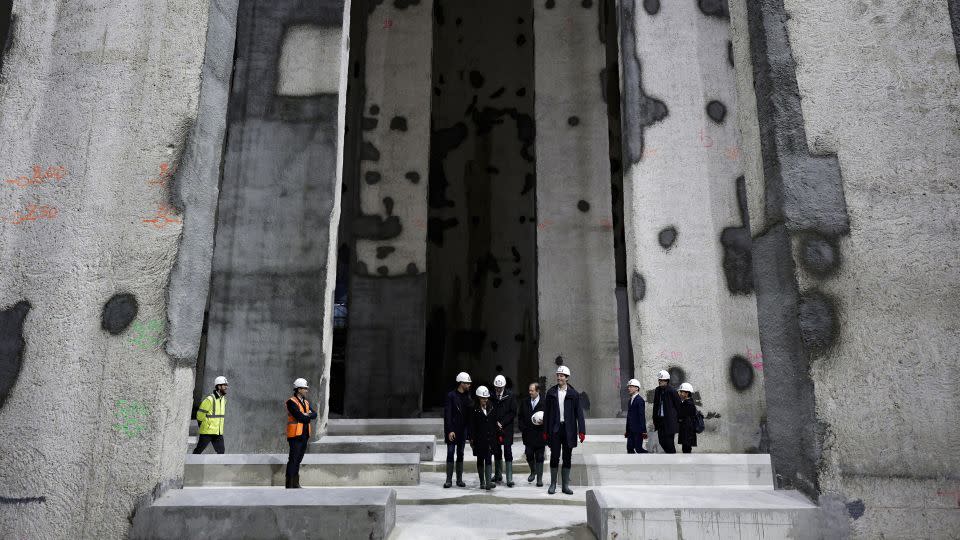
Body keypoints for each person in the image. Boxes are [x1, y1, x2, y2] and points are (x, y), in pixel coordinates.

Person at [543, 362, 586, 495]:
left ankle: (565, 485)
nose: (559, 378)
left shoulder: (573, 394)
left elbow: (579, 413)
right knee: (554, 456)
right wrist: (545, 431)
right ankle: (553, 484)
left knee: (567, 457)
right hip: (555, 429)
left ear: (567, 378)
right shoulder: (551, 393)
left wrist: (582, 431)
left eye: (562, 376)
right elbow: (547, 414)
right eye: (558, 375)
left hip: (569, 430)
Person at [285, 377, 317, 488]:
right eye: (305, 388)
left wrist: (306, 415)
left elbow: (315, 414)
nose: (307, 390)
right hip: (295, 435)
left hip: (304, 435)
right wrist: (307, 415)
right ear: (299, 389)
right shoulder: (291, 402)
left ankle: (296, 483)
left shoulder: (306, 402)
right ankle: (290, 484)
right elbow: (299, 416)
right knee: (293, 459)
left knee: (298, 459)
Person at [443, 372, 473, 488]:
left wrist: (470, 434)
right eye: (467, 383)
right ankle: (448, 480)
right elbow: (448, 414)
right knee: (450, 452)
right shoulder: (451, 396)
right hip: (453, 429)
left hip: (463, 429)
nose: (469, 385)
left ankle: (459, 479)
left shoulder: (468, 396)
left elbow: (469, 416)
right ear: (461, 383)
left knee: (460, 453)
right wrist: (450, 430)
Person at [468, 385, 498, 490]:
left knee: (489, 458)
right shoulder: (473, 408)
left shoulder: (491, 406)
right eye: (483, 398)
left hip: (490, 437)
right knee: (480, 459)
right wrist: (471, 438)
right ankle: (482, 482)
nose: (485, 400)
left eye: (486, 398)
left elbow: (494, 421)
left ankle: (488, 482)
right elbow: (471, 424)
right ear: (478, 398)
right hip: (479, 438)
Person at [517, 382, 546, 486]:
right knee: (529, 455)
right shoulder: (525, 402)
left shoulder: (544, 402)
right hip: (528, 434)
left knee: (540, 456)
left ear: (537, 391)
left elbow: (549, 416)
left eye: (532, 391)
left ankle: (539, 478)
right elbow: (520, 416)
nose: (530, 392)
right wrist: (522, 428)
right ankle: (533, 471)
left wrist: (544, 423)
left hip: (540, 434)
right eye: (529, 390)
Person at [491, 374, 517, 487]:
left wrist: (502, 422)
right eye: (496, 387)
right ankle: (498, 474)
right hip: (495, 428)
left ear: (504, 387)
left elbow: (513, 412)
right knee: (496, 451)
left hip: (506, 428)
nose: (498, 389)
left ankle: (509, 478)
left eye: (500, 388)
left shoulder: (510, 396)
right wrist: (495, 422)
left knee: (507, 450)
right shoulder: (491, 396)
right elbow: (489, 410)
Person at [194, 376, 229, 454]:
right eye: (224, 385)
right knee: (198, 451)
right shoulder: (209, 399)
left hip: (218, 432)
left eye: (226, 385)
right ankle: (189, 465)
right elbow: (200, 415)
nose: (226, 387)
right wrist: (203, 425)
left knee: (221, 452)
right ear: (219, 386)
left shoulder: (224, 400)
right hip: (207, 432)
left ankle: (218, 466)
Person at [652, 370, 681, 454]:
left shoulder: (672, 391)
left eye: (662, 380)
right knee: (661, 441)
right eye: (659, 380)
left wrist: (678, 420)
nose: (660, 381)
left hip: (670, 422)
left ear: (667, 381)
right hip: (660, 421)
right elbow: (655, 406)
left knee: (669, 443)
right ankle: (670, 457)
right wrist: (654, 419)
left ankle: (673, 459)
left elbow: (679, 406)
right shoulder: (657, 390)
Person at [624, 378, 648, 454]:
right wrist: (627, 430)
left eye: (631, 386)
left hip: (638, 430)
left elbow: (642, 416)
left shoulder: (640, 400)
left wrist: (643, 431)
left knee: (639, 449)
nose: (629, 388)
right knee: (630, 449)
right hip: (631, 430)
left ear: (637, 388)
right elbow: (629, 416)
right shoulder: (630, 400)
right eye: (629, 386)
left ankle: (650, 457)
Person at [677, 382, 698, 454]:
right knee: (686, 449)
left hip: (687, 431)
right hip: (687, 430)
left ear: (687, 393)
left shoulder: (688, 404)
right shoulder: (688, 402)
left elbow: (681, 415)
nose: (679, 393)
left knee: (686, 450)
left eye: (681, 392)